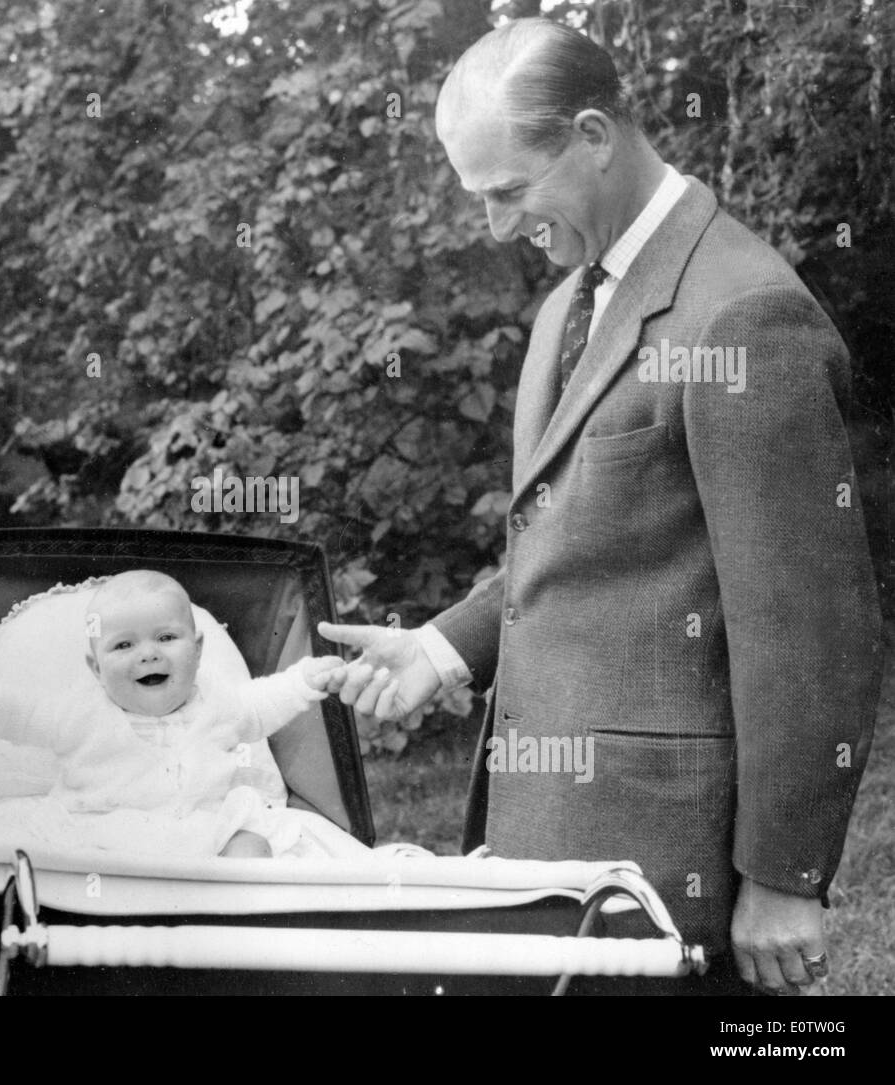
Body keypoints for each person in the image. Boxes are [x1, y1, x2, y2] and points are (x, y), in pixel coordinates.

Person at [321, 18, 882, 994]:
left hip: (666, 863)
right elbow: (585, 535)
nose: (495, 227)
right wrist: (440, 647)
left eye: (507, 191)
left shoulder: (743, 311)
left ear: (592, 133)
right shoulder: (564, 305)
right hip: (544, 839)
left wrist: (785, 876)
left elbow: (804, 616)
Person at [0, 570, 344, 858]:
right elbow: (11, 712)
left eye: (166, 638)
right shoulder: (79, 714)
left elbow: (265, 702)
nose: (147, 655)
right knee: (55, 867)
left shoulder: (220, 704)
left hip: (205, 835)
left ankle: (238, 937)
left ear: (198, 649)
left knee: (252, 848)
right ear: (96, 667)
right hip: (103, 836)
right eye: (124, 646)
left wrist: (306, 680)